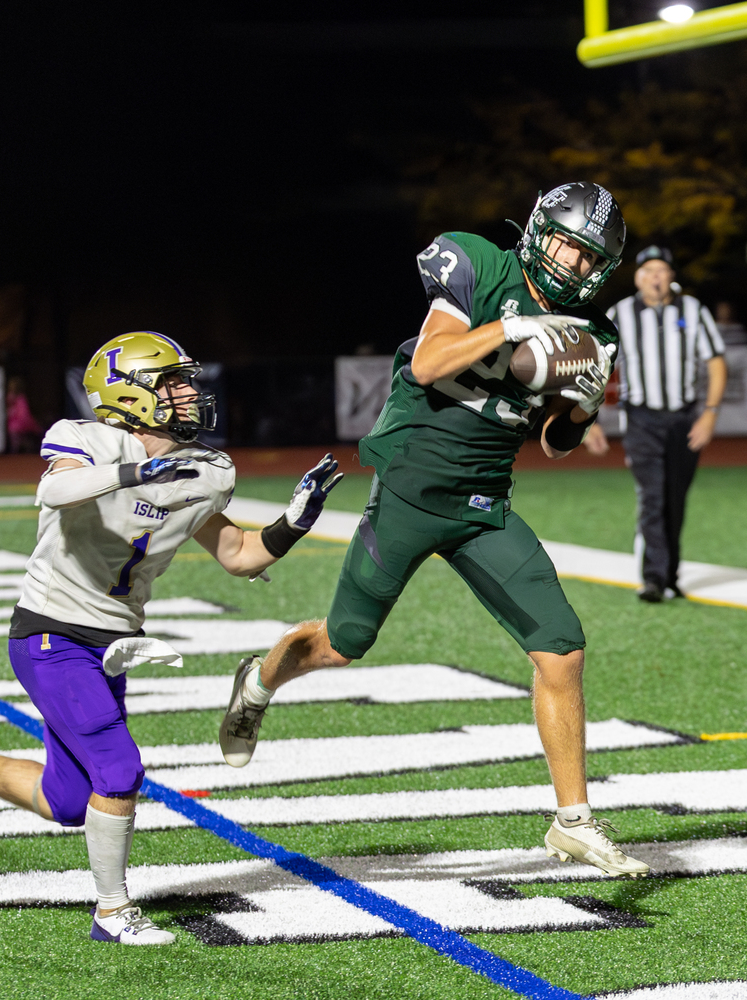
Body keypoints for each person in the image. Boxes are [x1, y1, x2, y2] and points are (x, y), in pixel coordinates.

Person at [217, 182, 651, 879]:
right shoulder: (478, 264)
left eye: (586, 255)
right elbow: (429, 361)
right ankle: (259, 683)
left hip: (484, 506)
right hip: (412, 492)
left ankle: (573, 821)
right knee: (342, 644)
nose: (571, 262)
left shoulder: (591, 332)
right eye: (566, 242)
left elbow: (556, 441)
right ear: (539, 231)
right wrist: (515, 330)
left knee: (561, 649)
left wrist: (583, 405)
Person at [0, 331, 342, 945]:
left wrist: (293, 523)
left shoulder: (205, 471)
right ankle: (112, 913)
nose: (190, 394)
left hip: (112, 644)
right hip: (51, 632)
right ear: (131, 395)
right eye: (173, 383)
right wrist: (133, 472)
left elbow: (237, 553)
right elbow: (54, 489)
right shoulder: (86, 438)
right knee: (119, 770)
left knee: (69, 800)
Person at [607, 246, 727, 603]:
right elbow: (599, 364)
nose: (654, 277)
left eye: (661, 270)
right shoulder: (620, 313)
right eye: (648, 271)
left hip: (682, 417)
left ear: (671, 276)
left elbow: (716, 362)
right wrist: (589, 418)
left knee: (676, 496)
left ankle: (670, 574)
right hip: (642, 418)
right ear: (637, 277)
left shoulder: (692, 310)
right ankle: (654, 577)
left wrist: (710, 413)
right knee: (653, 494)